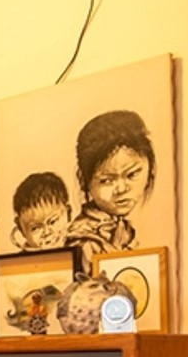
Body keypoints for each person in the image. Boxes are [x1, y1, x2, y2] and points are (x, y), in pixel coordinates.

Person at [65, 109, 156, 258]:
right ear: (83, 181)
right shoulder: (83, 243)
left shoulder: (121, 228)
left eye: (132, 174)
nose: (121, 189)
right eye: (107, 180)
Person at [9, 171, 73, 250]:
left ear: (69, 213)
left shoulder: (82, 246)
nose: (46, 232)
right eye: (35, 228)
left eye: (53, 222)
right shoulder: (21, 261)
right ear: (21, 229)